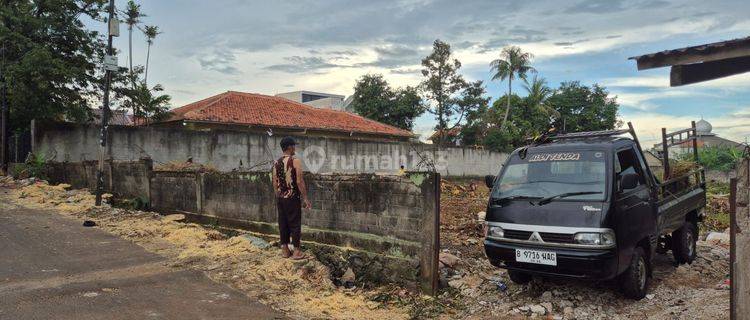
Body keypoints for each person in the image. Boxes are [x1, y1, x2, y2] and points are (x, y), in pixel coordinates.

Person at [272, 136, 311, 260]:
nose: (295, 148)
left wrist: (278, 196)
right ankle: (296, 251)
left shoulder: (276, 162)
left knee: (283, 223)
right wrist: (305, 198)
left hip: (281, 198)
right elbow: (299, 181)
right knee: (295, 223)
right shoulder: (295, 161)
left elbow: (274, 182)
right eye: (293, 145)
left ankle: (285, 250)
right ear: (289, 147)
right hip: (292, 197)